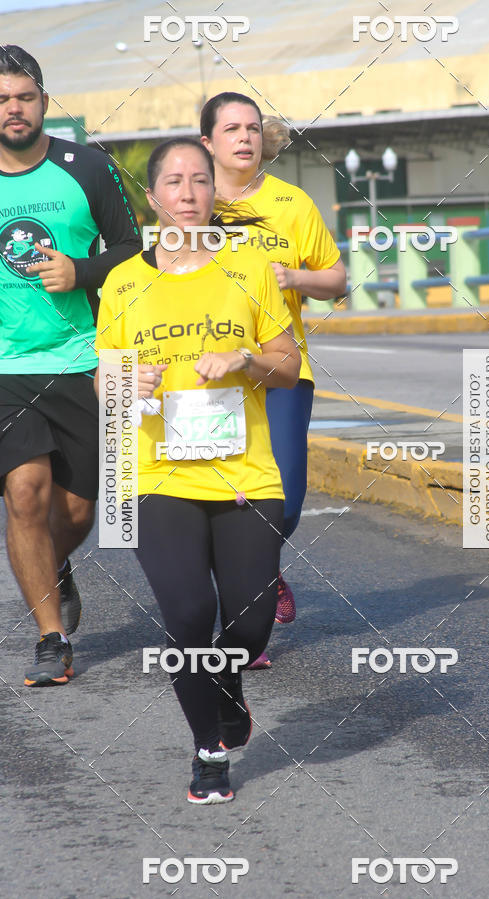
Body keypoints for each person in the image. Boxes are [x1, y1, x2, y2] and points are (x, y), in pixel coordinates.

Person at [95, 137, 300, 803]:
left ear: (215, 193)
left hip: (246, 474)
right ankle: (208, 751)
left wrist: (245, 359)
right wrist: (130, 377)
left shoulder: (250, 270)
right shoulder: (127, 280)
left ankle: (227, 680)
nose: (188, 194)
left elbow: (288, 364)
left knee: (249, 620)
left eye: (200, 181)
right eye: (174, 183)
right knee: (188, 612)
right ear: (152, 198)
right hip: (160, 474)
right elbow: (106, 381)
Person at [0, 45, 141, 686]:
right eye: (2, 99)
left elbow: (133, 248)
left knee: (79, 512)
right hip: (5, 366)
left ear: (44, 101)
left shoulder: (86, 166)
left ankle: (54, 570)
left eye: (24, 97)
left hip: (82, 359)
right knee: (25, 493)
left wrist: (81, 271)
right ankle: (50, 635)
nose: (13, 109)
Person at [200, 92, 347, 667]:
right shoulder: (190, 202)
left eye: (254, 128)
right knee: (215, 498)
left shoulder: (292, 203)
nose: (245, 138)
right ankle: (244, 620)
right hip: (207, 375)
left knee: (284, 500)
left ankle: (262, 567)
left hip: (282, 369)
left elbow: (337, 279)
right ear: (207, 140)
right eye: (231, 128)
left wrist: (296, 277)